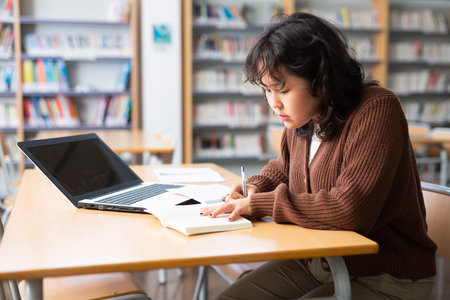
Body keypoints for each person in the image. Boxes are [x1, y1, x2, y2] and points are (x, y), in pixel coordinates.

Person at [200, 12, 437, 300]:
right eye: (266, 90)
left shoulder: (377, 109)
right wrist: (255, 186)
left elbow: (351, 209)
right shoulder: (303, 116)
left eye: (283, 90)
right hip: (319, 262)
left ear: (321, 79)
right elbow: (284, 167)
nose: (274, 103)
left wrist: (259, 204)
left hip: (385, 276)